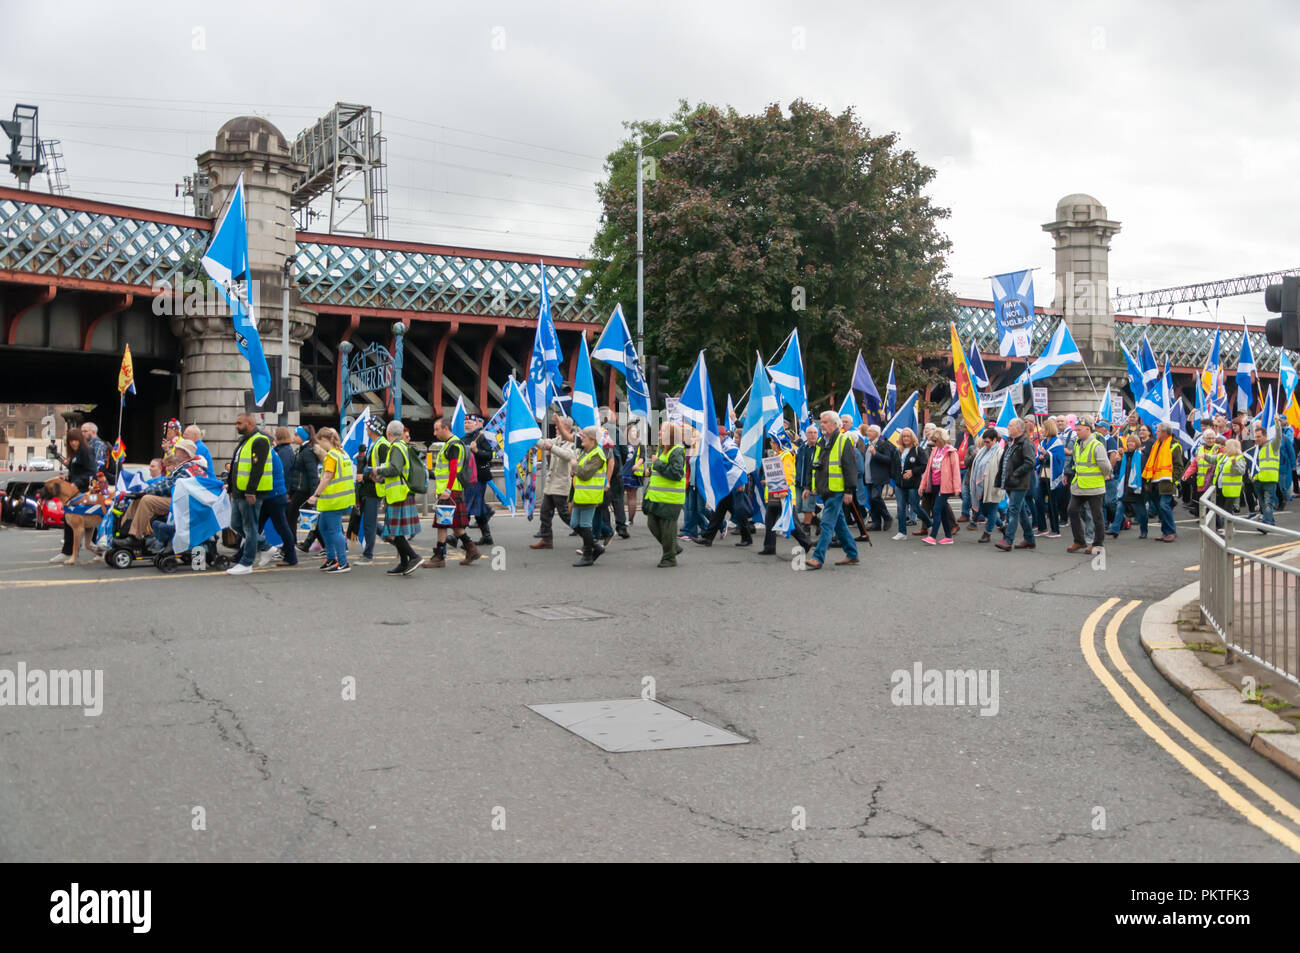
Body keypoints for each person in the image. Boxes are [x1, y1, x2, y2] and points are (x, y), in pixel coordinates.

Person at [124, 439, 205, 551]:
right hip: (177, 500)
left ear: (185, 453)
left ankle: (134, 538)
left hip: (184, 504)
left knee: (147, 500)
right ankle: (127, 532)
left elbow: (170, 486)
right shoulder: (184, 466)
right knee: (138, 499)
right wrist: (143, 492)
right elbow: (165, 482)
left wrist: (146, 492)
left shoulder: (189, 468)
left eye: (178, 449)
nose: (175, 451)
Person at [804, 410, 860, 570]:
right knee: (840, 524)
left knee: (827, 524)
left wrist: (849, 490)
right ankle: (852, 553)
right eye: (821, 422)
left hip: (837, 490)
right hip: (825, 490)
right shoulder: (822, 442)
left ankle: (818, 557)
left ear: (835, 424)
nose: (822, 425)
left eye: (825, 422)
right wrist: (809, 486)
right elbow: (814, 466)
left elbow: (850, 468)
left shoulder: (844, 440)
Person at [424, 414, 480, 568]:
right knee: (456, 527)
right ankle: (471, 549)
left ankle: (439, 557)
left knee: (442, 524)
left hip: (450, 491)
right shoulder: (452, 444)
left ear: (445, 428)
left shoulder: (453, 445)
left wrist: (447, 489)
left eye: (437, 429)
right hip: (452, 490)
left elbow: (454, 469)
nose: (434, 433)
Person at [225, 413, 273, 576]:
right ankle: (265, 546)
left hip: (251, 493)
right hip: (240, 491)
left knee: (250, 527)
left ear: (250, 424)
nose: (236, 426)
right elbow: (235, 466)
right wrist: (231, 489)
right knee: (236, 524)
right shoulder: (244, 441)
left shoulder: (260, 440)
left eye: (239, 423)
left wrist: (251, 491)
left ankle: (246, 562)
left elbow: (257, 468)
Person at [305, 428, 354, 573]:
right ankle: (332, 558)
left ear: (325, 440)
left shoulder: (331, 456)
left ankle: (343, 562)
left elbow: (327, 477)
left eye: (320, 443)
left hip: (332, 499)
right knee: (323, 528)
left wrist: (316, 495)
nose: (319, 446)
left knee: (334, 530)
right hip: (339, 498)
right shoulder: (342, 454)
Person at [757, 433, 812, 556]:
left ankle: (806, 542)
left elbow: (787, 475)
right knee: (770, 520)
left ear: (777, 444)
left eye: (772, 442)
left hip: (784, 494)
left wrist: (782, 491)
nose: (771, 444)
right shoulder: (779, 455)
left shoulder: (786, 455)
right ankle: (769, 547)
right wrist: (767, 481)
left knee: (791, 522)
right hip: (774, 492)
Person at [48, 427, 96, 563]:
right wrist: (67, 478)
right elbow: (77, 471)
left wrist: (77, 482)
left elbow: (91, 471)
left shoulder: (86, 451)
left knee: (84, 522)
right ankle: (68, 551)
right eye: (71, 441)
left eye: (75, 440)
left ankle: (73, 552)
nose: (73, 443)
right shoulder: (76, 453)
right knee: (71, 521)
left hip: (84, 491)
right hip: (75, 491)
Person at [643, 422, 687, 568]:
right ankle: (673, 548)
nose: (659, 434)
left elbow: (676, 473)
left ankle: (669, 558)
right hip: (658, 498)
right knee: (652, 524)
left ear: (671, 435)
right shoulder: (664, 450)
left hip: (670, 499)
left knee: (668, 530)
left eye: (662, 431)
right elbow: (661, 467)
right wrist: (651, 469)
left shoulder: (677, 451)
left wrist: (657, 465)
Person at [1066, 417, 1113, 554]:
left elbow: (1106, 466)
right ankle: (1079, 541)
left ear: (1088, 429)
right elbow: (1075, 463)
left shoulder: (1096, 445)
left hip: (1094, 487)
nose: (1077, 433)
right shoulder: (1077, 444)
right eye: (1076, 430)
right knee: (1072, 510)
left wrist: (1104, 476)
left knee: (1097, 516)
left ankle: (1097, 544)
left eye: (1079, 430)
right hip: (1079, 485)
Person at [532, 416, 576, 549]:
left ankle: (586, 534)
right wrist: (530, 437)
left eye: (558, 426)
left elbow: (568, 455)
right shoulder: (557, 440)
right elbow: (543, 443)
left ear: (566, 427)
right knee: (545, 511)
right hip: (552, 484)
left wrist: (551, 448)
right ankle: (546, 539)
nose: (556, 428)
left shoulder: (574, 441)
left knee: (564, 514)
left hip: (562, 483)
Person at [256, 428, 298, 567]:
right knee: (257, 526)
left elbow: (283, 473)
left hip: (274, 495)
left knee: (282, 527)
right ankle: (242, 555)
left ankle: (291, 557)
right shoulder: (277, 451)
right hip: (273, 494)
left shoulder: (280, 452)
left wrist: (286, 493)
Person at [994, 418, 1036, 552]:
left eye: (1010, 425)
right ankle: (1029, 539)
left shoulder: (1025, 443)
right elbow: (1004, 462)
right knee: (1021, 510)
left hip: (1019, 483)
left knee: (1013, 510)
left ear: (1018, 428)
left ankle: (1008, 540)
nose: (1008, 427)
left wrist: (1015, 474)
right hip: (1010, 482)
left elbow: (1030, 462)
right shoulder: (1010, 443)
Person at [353, 416, 389, 565]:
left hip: (374, 489)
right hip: (369, 488)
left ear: (373, 429)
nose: (366, 430)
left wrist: (365, 475)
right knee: (370, 522)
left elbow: (382, 469)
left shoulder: (382, 445)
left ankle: (368, 555)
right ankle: (394, 540)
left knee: (369, 523)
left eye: (368, 427)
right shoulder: (375, 444)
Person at [570, 425, 608, 567]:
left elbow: (585, 474)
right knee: (575, 524)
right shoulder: (586, 452)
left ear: (592, 439)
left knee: (585, 525)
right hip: (581, 494)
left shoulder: (597, 454)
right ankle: (596, 547)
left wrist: (575, 467)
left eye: (584, 437)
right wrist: (574, 469)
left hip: (590, 495)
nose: (581, 440)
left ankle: (587, 556)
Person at [1142, 420, 1182, 542]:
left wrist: (1173, 480)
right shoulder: (1157, 444)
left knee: (1164, 506)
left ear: (1164, 432)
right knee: (1161, 508)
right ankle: (1165, 532)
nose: (1156, 432)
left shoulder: (1173, 445)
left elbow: (1179, 466)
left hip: (1166, 482)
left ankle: (1171, 532)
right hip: (1155, 482)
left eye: (1158, 431)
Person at [922, 427, 961, 545]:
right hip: (934, 484)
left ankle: (933, 536)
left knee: (936, 510)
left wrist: (957, 488)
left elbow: (956, 470)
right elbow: (929, 469)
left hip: (945, 486)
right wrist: (923, 485)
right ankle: (948, 536)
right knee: (943, 511)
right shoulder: (935, 450)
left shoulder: (951, 452)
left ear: (942, 439)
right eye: (934, 441)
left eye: (936, 440)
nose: (935, 443)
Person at [463, 415, 497, 546]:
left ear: (476, 424)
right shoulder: (463, 439)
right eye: (465, 422)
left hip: (479, 477)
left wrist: (476, 450)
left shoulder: (481, 438)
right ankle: (487, 536)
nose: (467, 424)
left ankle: (457, 534)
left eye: (469, 422)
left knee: (468, 506)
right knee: (477, 507)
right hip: (467, 477)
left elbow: (489, 455)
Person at [1108, 434, 1147, 539]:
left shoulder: (1141, 456)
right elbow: (1122, 472)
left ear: (1137, 443)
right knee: (1119, 508)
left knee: (1141, 513)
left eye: (1133, 442)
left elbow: (1142, 473)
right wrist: (1119, 461)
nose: (1130, 443)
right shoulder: (1125, 456)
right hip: (1125, 488)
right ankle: (1115, 529)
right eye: (1129, 441)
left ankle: (1144, 530)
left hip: (1136, 489)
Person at [969, 427, 1004, 543]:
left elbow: (1003, 470)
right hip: (981, 486)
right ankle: (1002, 526)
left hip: (993, 485)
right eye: (985, 442)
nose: (986, 444)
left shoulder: (1000, 452)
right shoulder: (983, 451)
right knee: (983, 510)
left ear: (995, 440)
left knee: (993, 509)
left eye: (988, 442)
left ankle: (987, 533)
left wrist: (1000, 485)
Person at [892, 428, 925, 541]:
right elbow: (895, 466)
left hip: (913, 484)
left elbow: (924, 465)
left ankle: (929, 524)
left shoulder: (918, 450)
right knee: (901, 508)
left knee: (915, 507)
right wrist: (896, 478)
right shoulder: (899, 450)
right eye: (904, 436)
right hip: (900, 485)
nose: (906, 438)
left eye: (908, 436)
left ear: (912, 438)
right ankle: (902, 532)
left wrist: (913, 471)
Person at [864, 424, 897, 534]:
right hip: (868, 477)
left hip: (878, 477)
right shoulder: (866, 445)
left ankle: (887, 517)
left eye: (870, 431)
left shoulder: (883, 445)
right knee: (871, 500)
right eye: (867, 431)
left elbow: (888, 460)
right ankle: (876, 523)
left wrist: (876, 454)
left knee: (875, 497)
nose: (867, 433)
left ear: (876, 433)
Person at [1250, 420, 1283, 531]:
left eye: (1259, 437)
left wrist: (1277, 424)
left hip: (1269, 480)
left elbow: (1278, 437)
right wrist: (1253, 476)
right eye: (1255, 437)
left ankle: (1267, 524)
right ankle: (1270, 522)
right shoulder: (1255, 449)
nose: (1256, 439)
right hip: (1258, 480)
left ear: (1265, 436)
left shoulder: (1273, 445)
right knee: (1263, 504)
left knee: (1268, 503)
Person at [794, 425, 819, 536]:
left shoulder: (820, 448)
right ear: (806, 435)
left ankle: (806, 527)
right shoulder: (802, 447)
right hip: (800, 481)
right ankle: (819, 523)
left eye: (815, 433)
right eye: (810, 433)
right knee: (799, 506)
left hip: (812, 483)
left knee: (807, 506)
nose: (813, 435)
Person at [622, 420, 647, 529]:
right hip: (622, 472)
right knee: (618, 496)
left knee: (631, 496)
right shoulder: (622, 443)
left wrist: (637, 464)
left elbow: (642, 457)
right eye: (632, 431)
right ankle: (621, 519)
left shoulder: (640, 445)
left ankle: (630, 520)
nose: (634, 432)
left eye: (636, 431)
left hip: (633, 473)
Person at [1215, 438, 1247, 519]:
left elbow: (1241, 471)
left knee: (1227, 510)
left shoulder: (1239, 458)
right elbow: (1213, 459)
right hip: (1222, 487)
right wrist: (1205, 456)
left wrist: (1234, 464)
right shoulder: (1224, 456)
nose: (1224, 447)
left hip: (1231, 489)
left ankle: (1228, 527)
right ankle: (1223, 526)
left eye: (1226, 446)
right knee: (1221, 508)